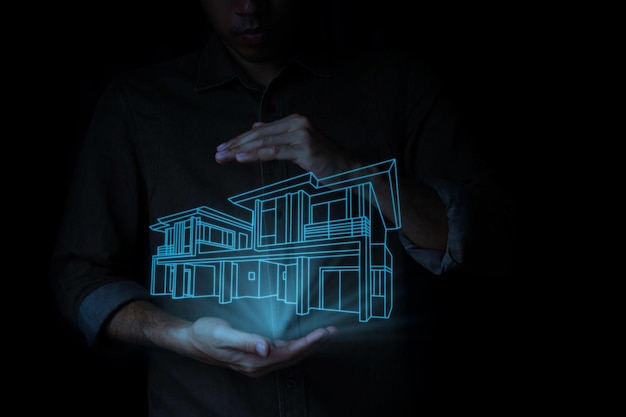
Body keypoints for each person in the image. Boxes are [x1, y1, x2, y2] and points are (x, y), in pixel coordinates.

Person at [51, 0, 515, 415]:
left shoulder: (398, 86)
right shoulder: (138, 105)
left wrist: (355, 171)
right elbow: (80, 275)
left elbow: (496, 237)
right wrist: (179, 335)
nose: (250, 6)